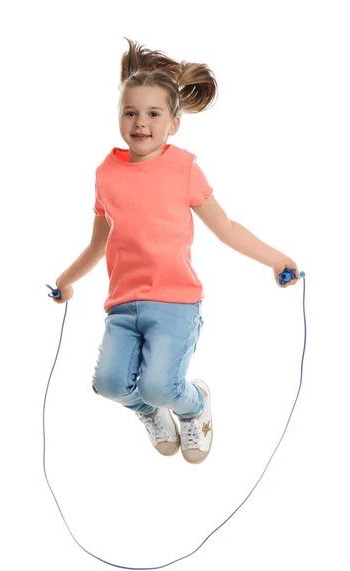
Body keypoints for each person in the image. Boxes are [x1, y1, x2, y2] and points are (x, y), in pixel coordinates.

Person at [53, 37, 301, 466]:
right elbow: (99, 242)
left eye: (153, 113)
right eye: (130, 112)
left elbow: (225, 228)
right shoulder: (106, 174)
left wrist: (277, 259)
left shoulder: (183, 168)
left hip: (175, 303)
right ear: (118, 116)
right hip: (122, 305)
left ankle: (193, 406)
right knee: (110, 384)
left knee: (160, 385)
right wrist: (66, 280)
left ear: (173, 122)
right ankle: (150, 413)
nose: (140, 122)